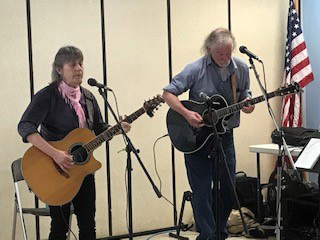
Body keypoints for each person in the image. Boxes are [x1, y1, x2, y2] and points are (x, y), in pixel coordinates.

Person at [18, 46, 131, 240]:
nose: (79, 68)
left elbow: (99, 128)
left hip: (83, 170)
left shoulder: (88, 96)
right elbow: (25, 127)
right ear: (59, 69)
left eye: (81, 63)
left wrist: (118, 128)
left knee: (88, 225)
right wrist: (55, 154)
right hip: (55, 170)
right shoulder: (48, 95)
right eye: (72, 64)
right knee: (59, 228)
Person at [162, 28, 255, 240]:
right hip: (197, 138)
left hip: (224, 136)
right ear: (209, 49)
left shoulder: (240, 67)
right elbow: (168, 93)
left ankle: (220, 232)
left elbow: (245, 93)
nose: (225, 58)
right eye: (220, 53)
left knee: (228, 190)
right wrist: (186, 114)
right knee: (201, 191)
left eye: (228, 53)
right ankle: (207, 235)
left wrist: (248, 103)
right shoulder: (196, 68)